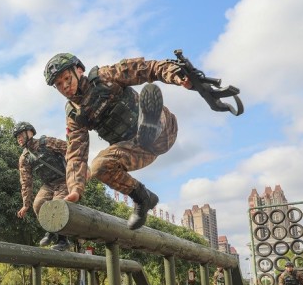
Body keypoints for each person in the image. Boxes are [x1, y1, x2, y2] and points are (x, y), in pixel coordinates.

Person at [43, 53, 192, 230]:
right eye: (58, 84)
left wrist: (176, 75)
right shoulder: (75, 115)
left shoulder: (105, 76)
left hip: (165, 130)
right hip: (138, 151)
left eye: (67, 78)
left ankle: (150, 126)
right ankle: (143, 198)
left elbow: (147, 68)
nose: (65, 87)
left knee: (148, 111)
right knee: (99, 166)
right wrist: (75, 189)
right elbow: (76, 155)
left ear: (79, 70)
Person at [14, 121, 70, 251]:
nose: (19, 139)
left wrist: (76, 171)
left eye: (20, 135)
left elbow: (69, 149)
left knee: (57, 205)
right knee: (38, 205)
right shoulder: (25, 158)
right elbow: (25, 181)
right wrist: (25, 204)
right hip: (49, 184)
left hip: (64, 180)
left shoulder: (46, 142)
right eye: (17, 137)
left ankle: (63, 240)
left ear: (30, 132)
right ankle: (50, 231)